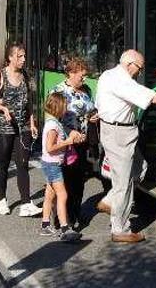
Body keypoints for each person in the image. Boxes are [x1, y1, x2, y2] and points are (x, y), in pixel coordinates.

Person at [95, 49, 156, 243]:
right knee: (123, 184)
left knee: (140, 169)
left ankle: (110, 201)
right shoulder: (122, 82)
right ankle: (120, 229)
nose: (140, 72)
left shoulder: (108, 75)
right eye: (140, 68)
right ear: (130, 65)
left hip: (117, 131)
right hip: (119, 134)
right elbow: (151, 98)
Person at [0, 42, 42, 217]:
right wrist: (3, 109)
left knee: (23, 163)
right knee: (3, 164)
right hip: (3, 128)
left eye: (24, 56)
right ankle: (2, 200)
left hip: (22, 126)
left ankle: (26, 203)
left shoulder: (26, 76)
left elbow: (30, 102)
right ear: (10, 57)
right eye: (20, 56)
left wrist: (32, 123)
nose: (23, 59)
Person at [49, 57, 99, 229]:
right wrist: (70, 132)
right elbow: (53, 117)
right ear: (71, 73)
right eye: (81, 75)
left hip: (82, 142)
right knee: (66, 182)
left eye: (85, 75)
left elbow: (90, 109)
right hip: (66, 143)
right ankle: (64, 218)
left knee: (79, 181)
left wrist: (93, 115)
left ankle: (76, 212)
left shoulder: (85, 90)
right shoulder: (58, 91)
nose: (84, 79)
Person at [39, 92, 83, 243]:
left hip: (49, 163)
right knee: (62, 195)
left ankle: (45, 225)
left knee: (49, 195)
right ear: (58, 107)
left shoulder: (53, 122)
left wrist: (72, 137)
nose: (66, 108)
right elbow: (50, 147)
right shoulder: (52, 126)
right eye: (65, 105)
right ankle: (65, 228)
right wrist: (68, 142)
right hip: (52, 165)